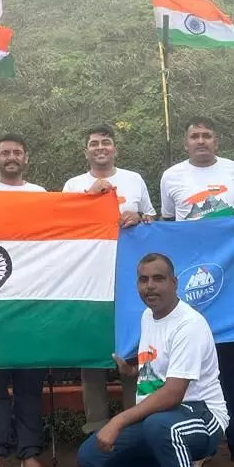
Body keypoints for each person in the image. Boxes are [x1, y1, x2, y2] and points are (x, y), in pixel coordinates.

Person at [77, 253, 228, 467]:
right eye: (144, 279)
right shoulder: (149, 317)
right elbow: (157, 371)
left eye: (158, 279)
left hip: (202, 414)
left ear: (174, 283)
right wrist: (134, 373)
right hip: (162, 417)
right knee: (90, 458)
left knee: (160, 426)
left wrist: (117, 421)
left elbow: (173, 393)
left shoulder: (189, 325)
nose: (150, 286)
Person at [160, 117, 234, 467]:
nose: (201, 141)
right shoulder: (171, 176)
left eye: (207, 135)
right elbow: (167, 229)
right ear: (186, 142)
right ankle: (196, 448)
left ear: (216, 142)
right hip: (189, 288)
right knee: (187, 370)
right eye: (195, 136)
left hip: (231, 284)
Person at [63, 123, 156, 433]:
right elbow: (64, 231)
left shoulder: (134, 179)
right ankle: (96, 431)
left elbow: (153, 222)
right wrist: (89, 200)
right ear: (86, 150)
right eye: (94, 143)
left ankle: (134, 430)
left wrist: (140, 218)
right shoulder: (73, 185)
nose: (100, 147)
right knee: (92, 356)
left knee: (133, 351)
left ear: (115, 147)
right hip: (89, 282)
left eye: (106, 142)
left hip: (130, 281)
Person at [0, 134, 54, 467]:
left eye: (17, 152)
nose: (11, 157)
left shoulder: (41, 196)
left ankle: (29, 455)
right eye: (5, 152)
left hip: (31, 308)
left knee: (28, 389)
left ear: (27, 158)